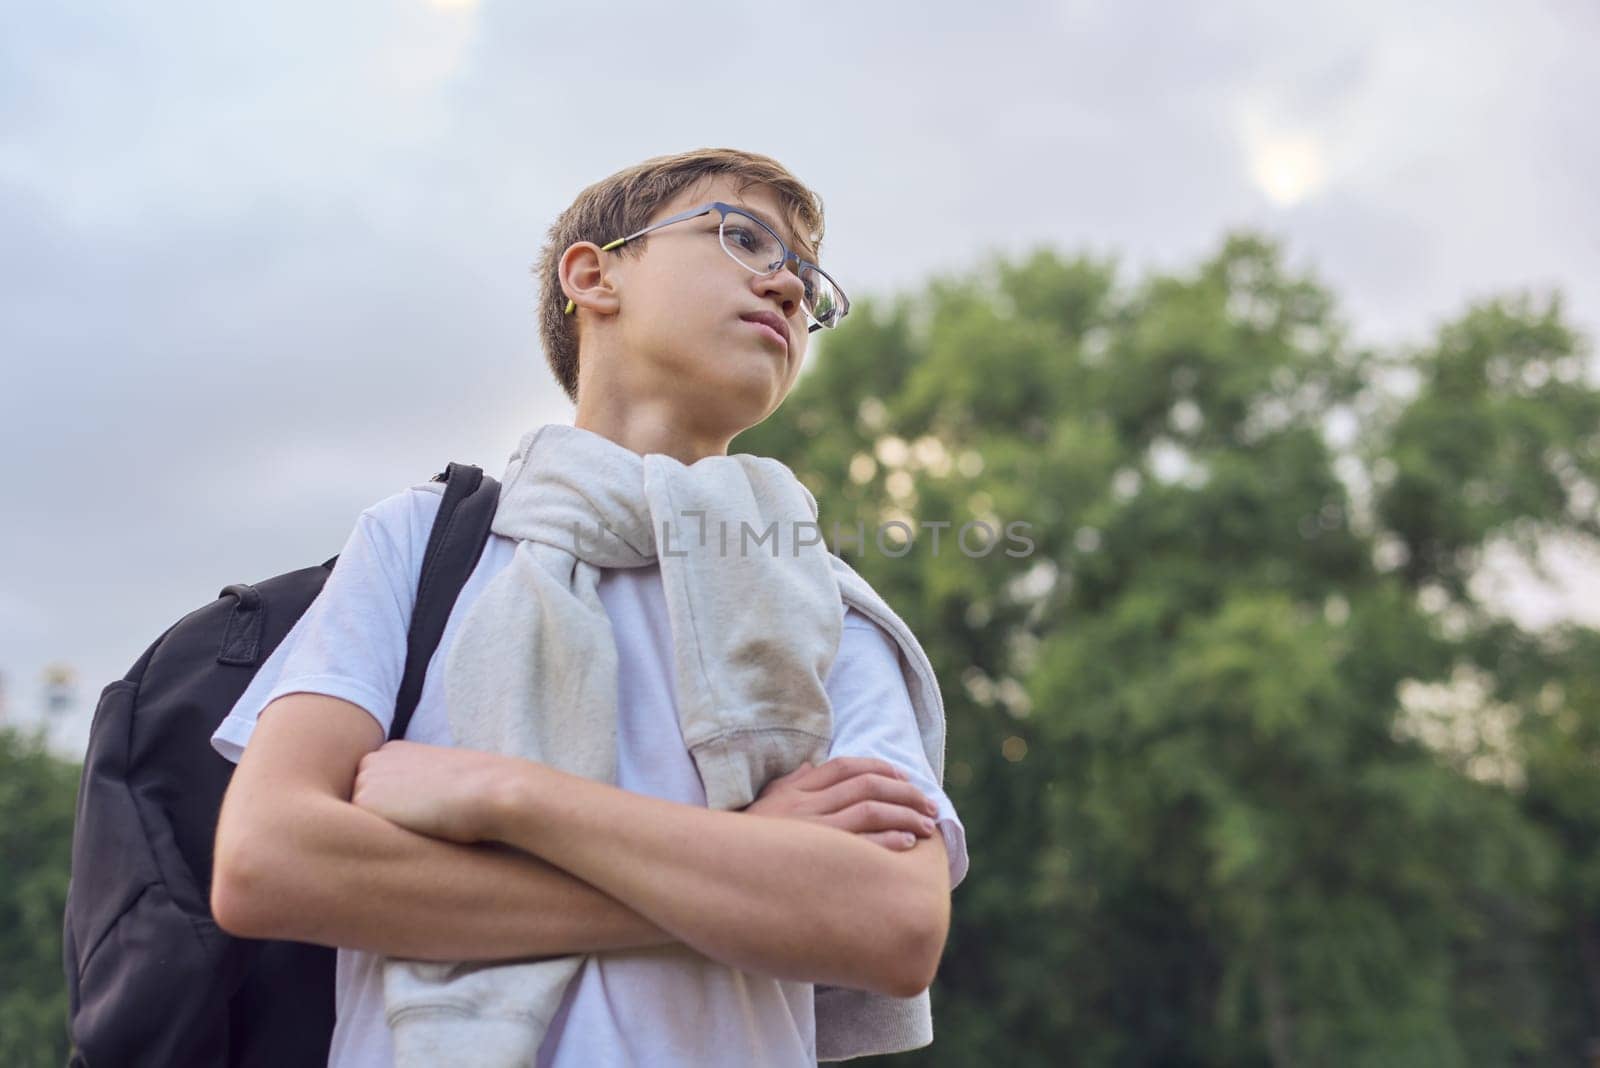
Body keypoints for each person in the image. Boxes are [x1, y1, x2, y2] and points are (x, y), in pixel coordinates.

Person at [209, 147, 969, 1067]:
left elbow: (891, 924)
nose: (788, 288)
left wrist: (508, 798)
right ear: (594, 274)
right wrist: (738, 869)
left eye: (811, 282)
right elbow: (267, 861)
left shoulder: (827, 603)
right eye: (743, 236)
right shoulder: (425, 543)